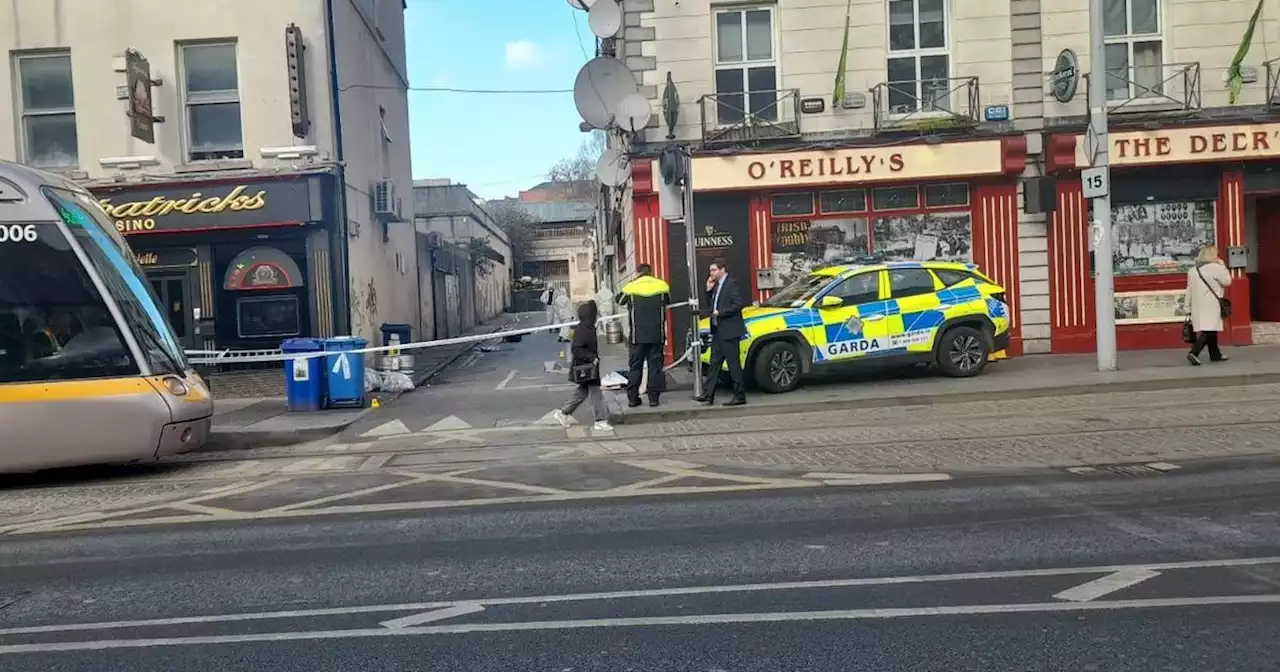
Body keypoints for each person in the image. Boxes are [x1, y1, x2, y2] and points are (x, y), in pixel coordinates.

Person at [615, 263, 671, 408]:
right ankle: (653, 399)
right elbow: (668, 301)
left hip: (637, 335)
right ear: (651, 272)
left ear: (638, 272)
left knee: (635, 367)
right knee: (655, 367)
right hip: (656, 334)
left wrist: (632, 285)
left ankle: (633, 398)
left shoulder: (632, 286)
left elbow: (619, 300)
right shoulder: (661, 285)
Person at [553, 300, 612, 431]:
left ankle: (563, 413)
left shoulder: (587, 328)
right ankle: (600, 420)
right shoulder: (584, 330)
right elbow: (576, 349)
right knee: (596, 392)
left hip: (587, 367)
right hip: (586, 367)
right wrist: (592, 358)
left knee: (582, 392)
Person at [694, 259, 747, 406]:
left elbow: (738, 304)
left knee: (733, 365)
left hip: (729, 331)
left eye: (714, 270)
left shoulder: (731, 284)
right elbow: (711, 305)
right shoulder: (717, 286)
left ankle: (739, 395)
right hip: (718, 331)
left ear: (722, 270)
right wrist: (708, 290)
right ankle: (708, 394)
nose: (711, 273)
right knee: (714, 363)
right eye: (711, 271)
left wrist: (721, 313)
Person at [1186, 245, 1232, 366]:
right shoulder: (1216, 268)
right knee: (1210, 329)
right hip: (1212, 304)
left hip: (1197, 305)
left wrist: (1187, 306)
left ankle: (1215, 354)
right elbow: (1227, 281)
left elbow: (1189, 290)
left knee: (1211, 328)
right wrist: (1222, 265)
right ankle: (1194, 352)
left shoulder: (1193, 271)